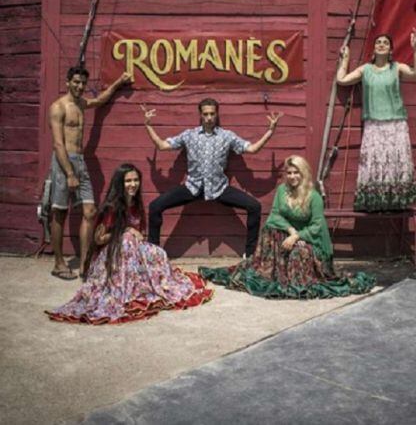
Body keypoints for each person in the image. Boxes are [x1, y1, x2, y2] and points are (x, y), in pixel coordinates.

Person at [46, 164, 213, 324]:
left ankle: (145, 284)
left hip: (128, 254)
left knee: (158, 252)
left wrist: (134, 237)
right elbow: (98, 239)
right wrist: (124, 231)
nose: (133, 184)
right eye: (128, 181)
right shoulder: (112, 207)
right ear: (120, 183)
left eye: (135, 180)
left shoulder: (136, 204)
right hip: (110, 257)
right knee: (126, 242)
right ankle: (124, 289)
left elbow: (139, 235)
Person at [199, 155, 375, 298]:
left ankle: (297, 277)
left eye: (296, 172)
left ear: (304, 173)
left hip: (313, 241)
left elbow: (317, 226)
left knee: (299, 253)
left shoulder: (314, 197)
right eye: (289, 173)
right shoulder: (282, 190)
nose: (292, 177)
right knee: (270, 230)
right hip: (292, 234)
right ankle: (271, 271)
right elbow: (275, 215)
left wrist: (298, 236)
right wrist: (291, 231)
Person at [142, 98, 281, 257]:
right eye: (205, 114)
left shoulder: (226, 136)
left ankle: (249, 255)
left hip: (218, 188)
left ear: (217, 114)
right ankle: (154, 256)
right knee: (155, 206)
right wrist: (148, 125)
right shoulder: (189, 135)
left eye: (212, 114)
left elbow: (252, 149)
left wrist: (270, 131)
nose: (209, 117)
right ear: (200, 115)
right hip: (192, 187)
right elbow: (162, 145)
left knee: (254, 206)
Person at [47, 66, 132, 279]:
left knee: (90, 212)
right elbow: (58, 144)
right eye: (75, 82)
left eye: (83, 83)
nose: (79, 86)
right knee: (60, 213)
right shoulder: (58, 107)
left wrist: (118, 82)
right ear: (67, 82)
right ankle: (58, 263)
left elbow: (100, 100)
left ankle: (85, 264)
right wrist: (69, 173)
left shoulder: (82, 104)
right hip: (63, 162)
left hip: (80, 161)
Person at [336, 30, 416, 211]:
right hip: (373, 124)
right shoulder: (365, 70)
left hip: (395, 123)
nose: (381, 44)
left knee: (395, 162)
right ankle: (375, 202)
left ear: (391, 50)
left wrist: (415, 49)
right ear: (374, 49)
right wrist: (345, 59)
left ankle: (396, 202)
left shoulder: (396, 68)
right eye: (378, 42)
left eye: (385, 42)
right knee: (375, 162)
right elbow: (341, 79)